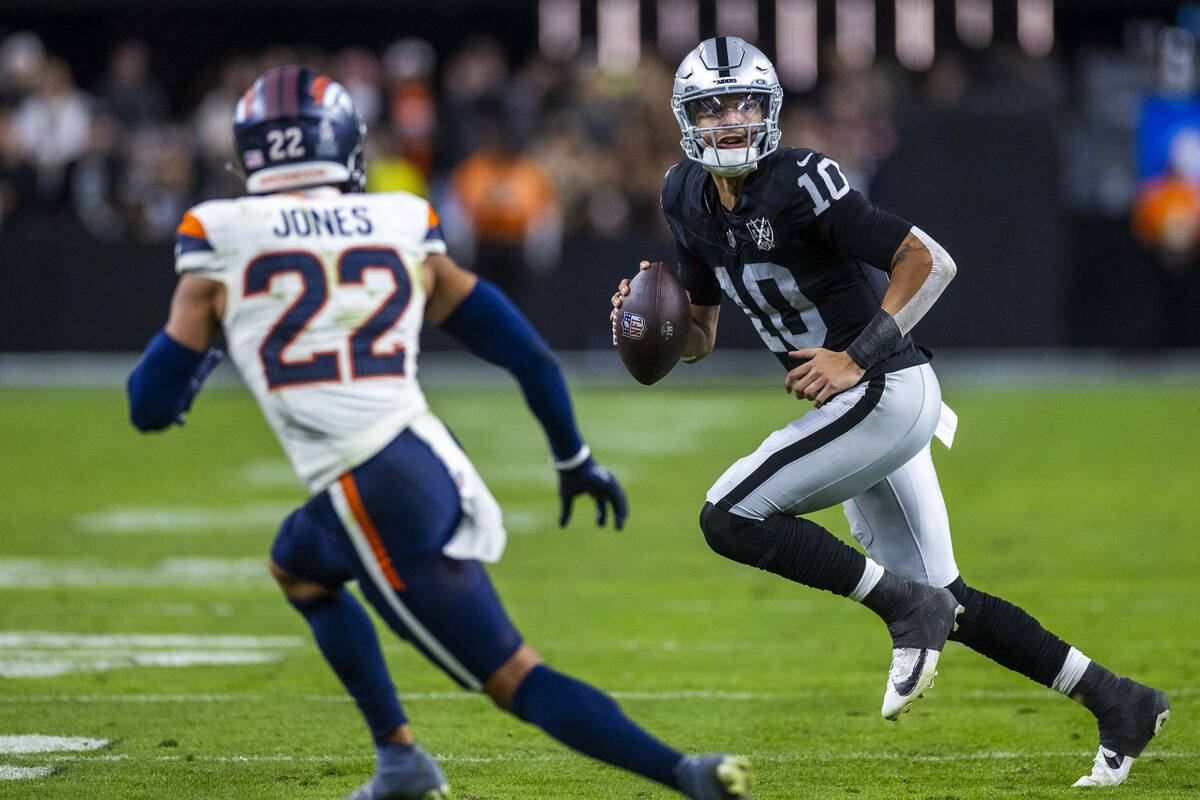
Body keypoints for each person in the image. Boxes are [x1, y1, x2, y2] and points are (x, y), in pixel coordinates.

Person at [127, 66, 750, 800]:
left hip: (371, 484)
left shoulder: (218, 232)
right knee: (299, 564)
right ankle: (400, 760)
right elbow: (522, 351)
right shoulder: (398, 219)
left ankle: (689, 776)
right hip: (418, 451)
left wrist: (201, 340)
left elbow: (148, 406)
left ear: (252, 153)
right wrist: (571, 454)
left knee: (516, 678)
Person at [610, 37, 1170, 789]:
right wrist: (651, 324)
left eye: (744, 101)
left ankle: (904, 611)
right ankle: (1119, 701)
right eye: (713, 106)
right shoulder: (684, 196)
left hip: (882, 387)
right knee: (951, 599)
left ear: (771, 108)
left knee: (731, 516)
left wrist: (854, 355)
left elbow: (928, 259)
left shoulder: (801, 180)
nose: (730, 120)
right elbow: (702, 339)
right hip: (863, 402)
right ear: (687, 117)